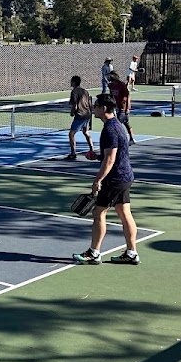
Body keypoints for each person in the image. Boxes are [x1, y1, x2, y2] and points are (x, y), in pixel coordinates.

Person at [73, 93, 139, 266]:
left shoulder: (109, 129)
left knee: (98, 213)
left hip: (114, 179)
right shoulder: (117, 125)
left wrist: (98, 180)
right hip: (125, 177)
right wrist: (97, 156)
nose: (93, 109)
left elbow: (110, 159)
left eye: (95, 106)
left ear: (103, 108)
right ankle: (131, 253)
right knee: (124, 213)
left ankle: (94, 253)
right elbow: (112, 155)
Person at [65, 75, 94, 160]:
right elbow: (90, 104)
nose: (70, 83)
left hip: (80, 115)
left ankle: (73, 153)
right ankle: (92, 149)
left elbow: (75, 105)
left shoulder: (74, 92)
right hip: (87, 115)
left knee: (71, 134)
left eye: (71, 81)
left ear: (74, 82)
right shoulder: (85, 91)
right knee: (86, 132)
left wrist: (72, 112)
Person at [107, 71, 138, 145]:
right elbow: (111, 96)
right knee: (120, 124)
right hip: (115, 108)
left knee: (121, 124)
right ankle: (127, 139)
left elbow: (127, 96)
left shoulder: (121, 85)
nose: (108, 78)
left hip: (122, 108)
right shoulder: (110, 85)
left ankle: (127, 139)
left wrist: (127, 108)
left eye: (110, 76)